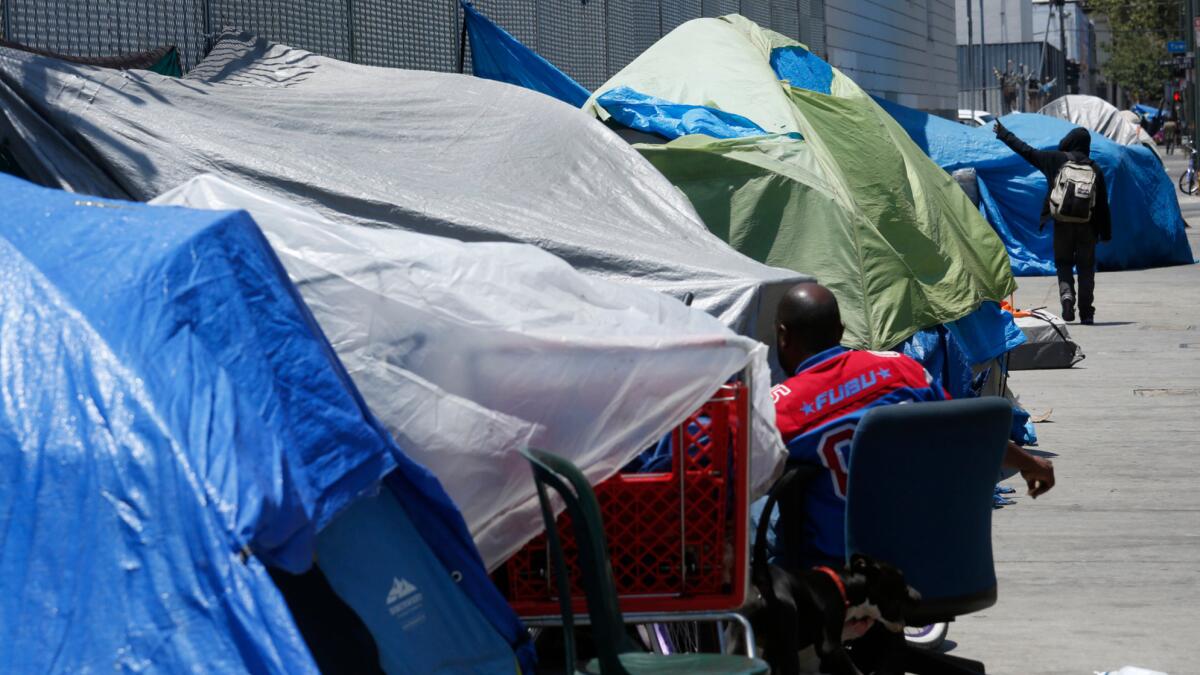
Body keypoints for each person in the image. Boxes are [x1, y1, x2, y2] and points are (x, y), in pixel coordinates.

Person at [762, 283, 1056, 570]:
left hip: (835, 563)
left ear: (783, 337)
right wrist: (1031, 463)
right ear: (841, 330)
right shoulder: (900, 368)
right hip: (920, 552)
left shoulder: (781, 407)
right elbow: (967, 430)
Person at [994, 121, 1112, 324]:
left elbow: (1026, 151)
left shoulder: (1055, 160)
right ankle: (1086, 312)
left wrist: (1004, 134)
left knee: (1064, 263)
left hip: (1062, 224)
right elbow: (1102, 205)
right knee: (1086, 268)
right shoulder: (1095, 169)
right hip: (1088, 227)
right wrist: (1105, 232)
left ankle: (1066, 296)